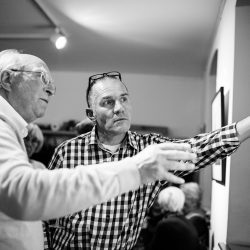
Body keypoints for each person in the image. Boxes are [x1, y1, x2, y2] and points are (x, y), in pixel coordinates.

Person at [0, 50, 197, 250]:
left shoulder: (12, 130)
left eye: (124, 99)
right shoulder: (11, 131)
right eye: (43, 77)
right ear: (7, 79)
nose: (51, 90)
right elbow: (27, 196)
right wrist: (136, 169)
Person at [46, 70, 250, 250]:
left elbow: (198, 149)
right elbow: (44, 215)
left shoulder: (150, 150)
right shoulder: (67, 152)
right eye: (108, 102)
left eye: (124, 99)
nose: (119, 108)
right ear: (91, 114)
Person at [181, 182, 209, 249]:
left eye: (183, 198)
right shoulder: (198, 214)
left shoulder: (196, 220)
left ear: (192, 201)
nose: (181, 201)